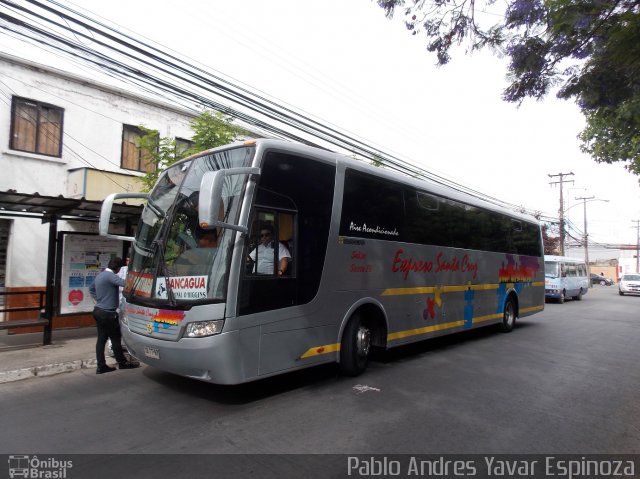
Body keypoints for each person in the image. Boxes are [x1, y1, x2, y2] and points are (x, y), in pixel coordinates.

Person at [89, 256, 139, 374]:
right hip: (108, 313)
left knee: (101, 339)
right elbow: (126, 284)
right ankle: (122, 363)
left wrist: (98, 300)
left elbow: (91, 289)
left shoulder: (100, 275)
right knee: (116, 339)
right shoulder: (111, 276)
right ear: (117, 268)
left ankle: (101, 366)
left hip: (98, 310)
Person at [107, 256, 129, 357]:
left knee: (123, 324)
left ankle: (122, 344)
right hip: (117, 301)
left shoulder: (135, 271)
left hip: (126, 302)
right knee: (114, 325)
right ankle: (112, 346)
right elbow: (122, 283)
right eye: (128, 260)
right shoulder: (121, 270)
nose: (129, 262)